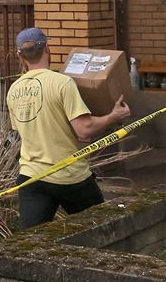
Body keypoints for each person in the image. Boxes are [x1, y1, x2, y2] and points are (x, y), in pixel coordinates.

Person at [7, 27, 130, 228]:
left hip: (32, 177)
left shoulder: (14, 89)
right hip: (70, 176)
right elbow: (84, 130)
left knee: (31, 242)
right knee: (101, 232)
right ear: (48, 49)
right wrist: (112, 116)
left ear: (20, 55)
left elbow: (27, 131)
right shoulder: (63, 83)